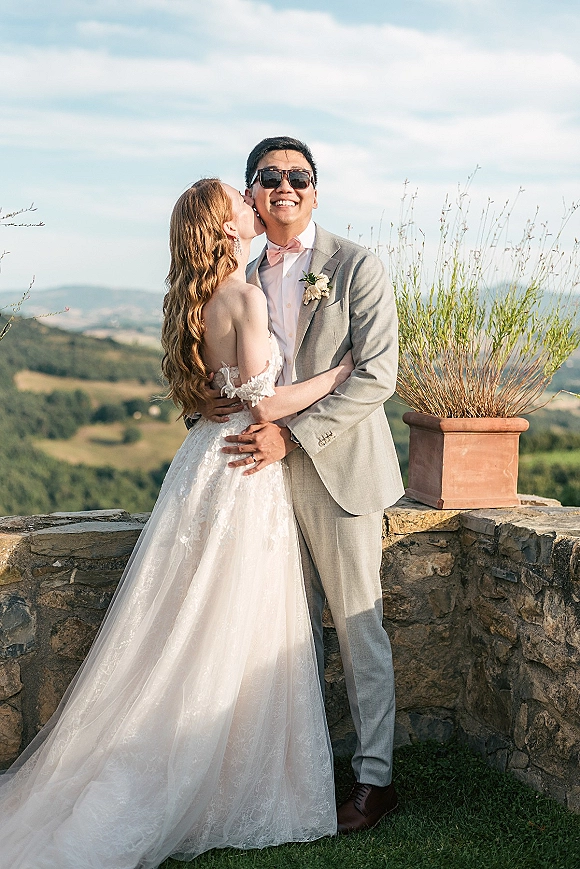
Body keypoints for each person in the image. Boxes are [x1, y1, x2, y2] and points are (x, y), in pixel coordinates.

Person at [0, 179, 357, 868]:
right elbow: (265, 406)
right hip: (241, 474)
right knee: (231, 621)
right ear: (225, 227)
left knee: (186, 624)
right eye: (242, 202)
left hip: (202, 466)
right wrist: (337, 376)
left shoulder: (198, 298)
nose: (256, 203)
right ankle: (220, 782)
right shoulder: (244, 295)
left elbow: (219, 397)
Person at [202, 137, 405, 834]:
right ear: (251, 192)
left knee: (357, 631)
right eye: (269, 176)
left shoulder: (357, 265)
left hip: (340, 471)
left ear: (316, 191)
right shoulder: (242, 271)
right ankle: (298, 771)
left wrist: (290, 434)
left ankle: (375, 781)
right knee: (284, 630)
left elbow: (378, 374)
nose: (284, 184)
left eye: (298, 175)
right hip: (259, 481)